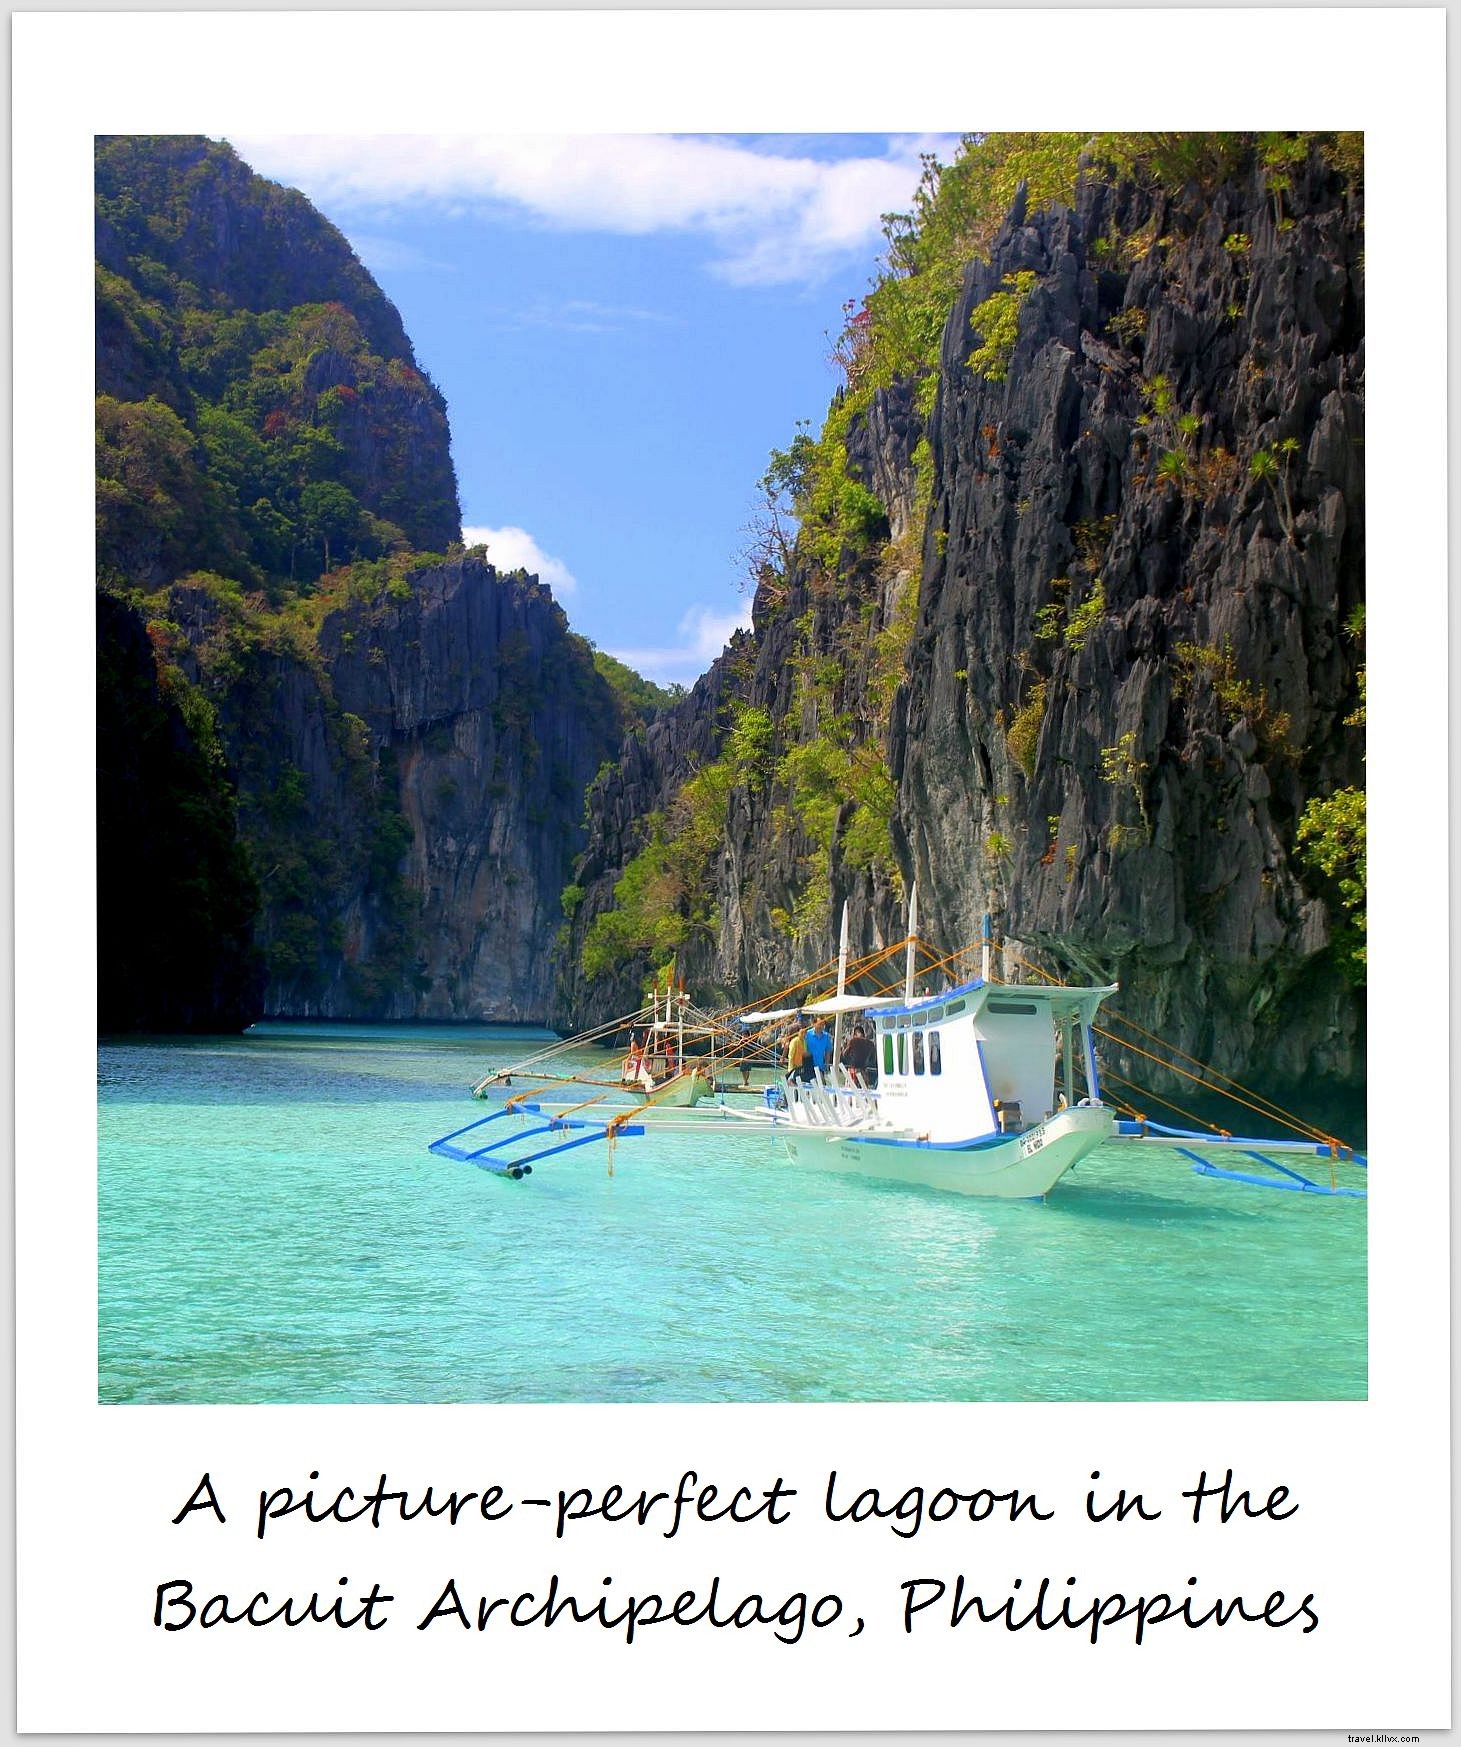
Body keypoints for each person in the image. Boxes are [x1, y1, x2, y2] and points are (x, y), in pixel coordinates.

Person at [803, 1017, 833, 1082]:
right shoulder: (807, 1034)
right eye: (819, 1024)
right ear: (814, 1024)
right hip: (808, 1066)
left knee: (821, 1086)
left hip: (820, 1067)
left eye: (823, 1025)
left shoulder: (826, 1036)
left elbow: (828, 1051)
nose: (821, 1026)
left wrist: (827, 1064)